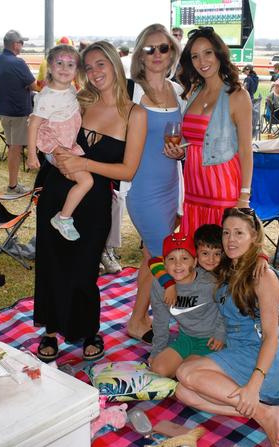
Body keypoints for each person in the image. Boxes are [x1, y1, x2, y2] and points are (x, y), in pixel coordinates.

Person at [32, 40, 147, 363]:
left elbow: (128, 170)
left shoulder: (134, 114)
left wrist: (85, 164)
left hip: (95, 202)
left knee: (84, 270)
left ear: (114, 64)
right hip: (57, 192)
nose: (95, 72)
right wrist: (50, 152)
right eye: (90, 66)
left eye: (101, 64)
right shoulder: (77, 101)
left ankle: (88, 329)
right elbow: (45, 129)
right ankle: (51, 331)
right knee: (52, 263)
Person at [175, 207, 279, 447]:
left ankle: (261, 412)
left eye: (239, 233)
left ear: (254, 237)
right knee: (182, 391)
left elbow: (271, 335)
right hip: (236, 349)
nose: (231, 239)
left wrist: (253, 384)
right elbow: (180, 262)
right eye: (227, 232)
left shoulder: (263, 276)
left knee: (186, 372)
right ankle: (265, 411)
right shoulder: (227, 267)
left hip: (263, 357)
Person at [164, 26, 253, 236]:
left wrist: (244, 196)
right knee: (196, 250)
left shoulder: (238, 96)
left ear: (219, 54)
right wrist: (180, 152)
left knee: (220, 254)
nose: (202, 62)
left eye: (208, 53)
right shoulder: (195, 92)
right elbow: (194, 142)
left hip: (222, 188)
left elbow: (246, 150)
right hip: (193, 188)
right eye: (195, 56)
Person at [125, 23, 183, 343]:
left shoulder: (177, 91)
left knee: (151, 255)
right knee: (166, 256)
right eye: (150, 49)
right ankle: (172, 320)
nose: (157, 54)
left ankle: (138, 318)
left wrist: (180, 149)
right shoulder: (131, 91)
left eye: (164, 48)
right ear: (140, 55)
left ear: (172, 52)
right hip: (143, 191)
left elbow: (184, 136)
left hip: (172, 189)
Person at [27, 44, 89, 242]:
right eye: (59, 63)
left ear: (76, 70)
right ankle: (63, 217)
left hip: (67, 144)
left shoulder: (70, 89)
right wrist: (31, 154)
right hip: (56, 146)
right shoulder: (46, 97)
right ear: (51, 67)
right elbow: (33, 125)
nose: (64, 68)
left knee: (80, 180)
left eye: (70, 65)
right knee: (86, 181)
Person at [149, 232, 225, 378]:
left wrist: (221, 333)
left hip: (211, 340)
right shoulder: (159, 286)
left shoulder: (209, 283)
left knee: (185, 373)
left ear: (195, 262)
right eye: (171, 259)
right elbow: (160, 321)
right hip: (186, 338)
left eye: (185, 258)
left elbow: (226, 309)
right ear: (164, 263)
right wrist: (157, 351)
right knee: (158, 369)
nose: (178, 264)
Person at [0, 29, 38, 194]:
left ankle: (12, 183)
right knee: (16, 149)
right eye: (21, 43)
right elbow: (35, 86)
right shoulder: (19, 63)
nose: (23, 46)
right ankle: (12, 185)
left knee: (13, 147)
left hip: (3, 110)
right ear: (15, 44)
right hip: (18, 111)